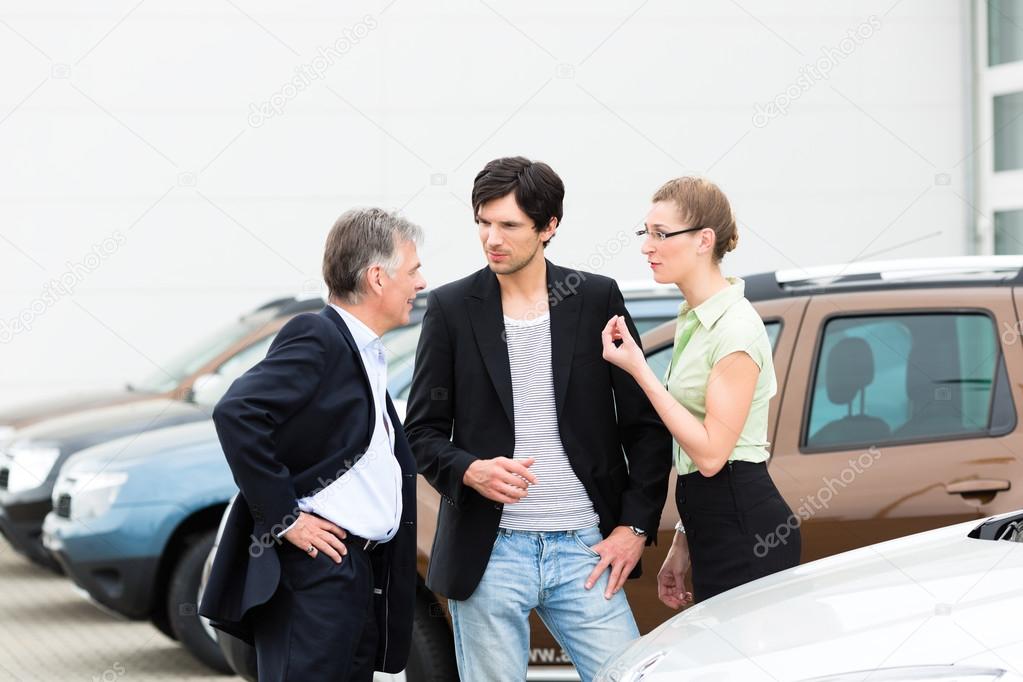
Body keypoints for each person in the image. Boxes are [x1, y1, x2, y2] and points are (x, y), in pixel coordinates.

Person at [405, 156, 671, 682]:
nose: (491, 238)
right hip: (489, 551)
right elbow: (420, 434)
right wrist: (469, 469)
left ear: (549, 227)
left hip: (584, 546)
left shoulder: (596, 298)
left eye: (509, 225)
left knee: (635, 676)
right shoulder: (453, 308)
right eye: (483, 222)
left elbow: (644, 424)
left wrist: (635, 527)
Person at [198, 208, 427, 681]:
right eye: (414, 270)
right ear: (378, 278)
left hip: (357, 571)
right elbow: (236, 412)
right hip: (316, 574)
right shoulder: (318, 336)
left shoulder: (366, 351)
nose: (421, 283)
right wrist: (285, 517)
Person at [601, 176, 800, 607]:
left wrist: (640, 369)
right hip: (713, 521)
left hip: (746, 531)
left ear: (703, 240)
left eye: (660, 234)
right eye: (645, 233)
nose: (646, 247)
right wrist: (683, 541)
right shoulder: (695, 317)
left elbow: (712, 455)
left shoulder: (736, 329)